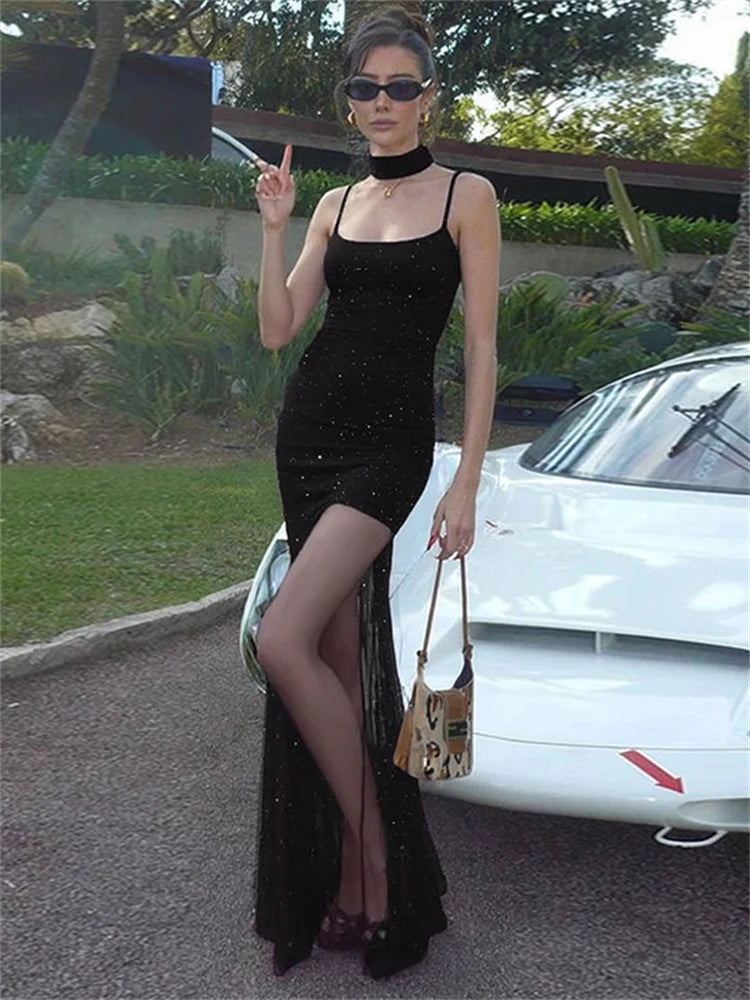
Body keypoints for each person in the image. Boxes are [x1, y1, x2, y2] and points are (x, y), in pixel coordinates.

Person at [251, 5, 499, 981]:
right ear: (349, 102)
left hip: (389, 450)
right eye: (366, 87)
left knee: (281, 638)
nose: (383, 101)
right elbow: (279, 328)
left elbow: (481, 348)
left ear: (429, 96)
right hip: (309, 438)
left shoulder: (467, 195)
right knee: (337, 659)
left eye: (401, 86)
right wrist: (275, 229)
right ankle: (357, 881)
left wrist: (466, 478)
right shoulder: (333, 204)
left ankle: (377, 858)